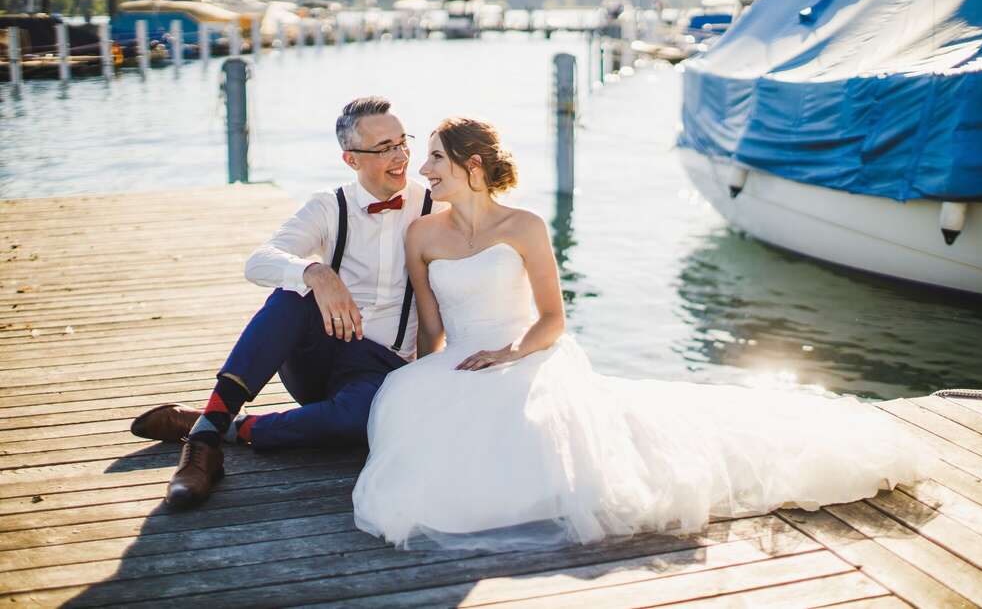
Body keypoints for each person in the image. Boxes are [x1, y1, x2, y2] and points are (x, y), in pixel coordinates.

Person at [352, 116, 928, 551]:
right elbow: (432, 331)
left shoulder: (524, 226)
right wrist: (421, 385)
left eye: (434, 158)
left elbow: (553, 318)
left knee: (574, 459)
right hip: (458, 367)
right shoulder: (422, 235)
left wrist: (511, 352)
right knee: (428, 455)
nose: (423, 169)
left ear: (472, 165)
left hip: (527, 358)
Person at [130, 96, 444, 508]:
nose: (400, 156)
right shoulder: (329, 205)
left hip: (381, 368)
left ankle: (218, 424)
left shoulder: (432, 206)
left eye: (403, 142)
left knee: (358, 422)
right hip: (320, 356)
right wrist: (314, 273)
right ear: (351, 159)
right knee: (290, 296)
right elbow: (258, 261)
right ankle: (203, 448)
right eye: (384, 148)